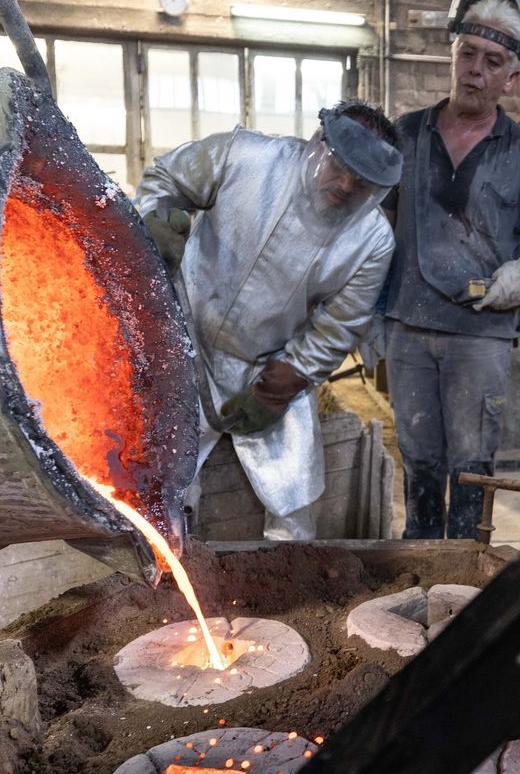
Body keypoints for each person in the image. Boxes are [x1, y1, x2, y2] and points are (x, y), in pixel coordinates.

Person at [375, 0, 520, 539]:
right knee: (420, 461)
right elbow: (365, 224)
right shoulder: (406, 135)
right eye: (467, 53)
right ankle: (421, 566)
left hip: (481, 336)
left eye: (492, 61)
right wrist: (363, 309)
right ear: (452, 55)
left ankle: (464, 579)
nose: (475, 69)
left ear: (512, 78)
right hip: (408, 330)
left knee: (471, 468)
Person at [134, 99, 401, 541]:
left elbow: (336, 326)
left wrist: (282, 387)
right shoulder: (246, 156)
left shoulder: (372, 242)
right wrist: (160, 218)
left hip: (265, 361)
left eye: (364, 181)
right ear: (318, 143)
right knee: (162, 480)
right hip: (181, 339)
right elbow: (167, 177)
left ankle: (287, 582)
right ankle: (166, 568)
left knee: (293, 501)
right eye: (339, 165)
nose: (347, 183)